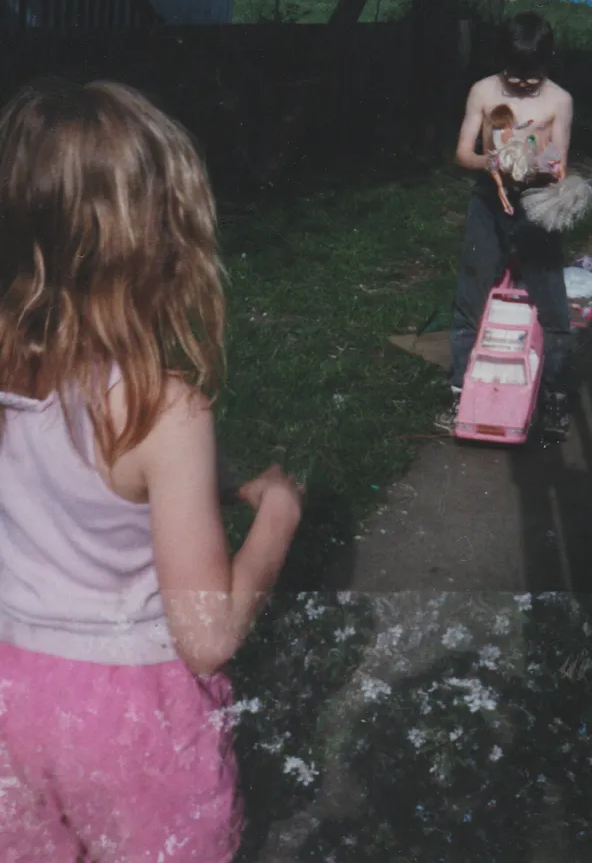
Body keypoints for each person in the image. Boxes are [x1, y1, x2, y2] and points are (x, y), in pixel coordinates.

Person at [0, 78, 304, 862]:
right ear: (155, 243)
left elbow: (62, 476)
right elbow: (207, 637)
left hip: (13, 693)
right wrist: (276, 514)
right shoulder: (165, 412)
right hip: (127, 712)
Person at [437, 11, 575, 440]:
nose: (522, 86)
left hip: (536, 207)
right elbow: (463, 153)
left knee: (552, 307)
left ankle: (554, 396)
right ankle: (459, 389)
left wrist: (537, 162)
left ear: (547, 65)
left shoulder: (559, 101)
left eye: (531, 79)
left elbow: (560, 165)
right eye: (514, 78)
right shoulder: (482, 91)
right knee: (469, 301)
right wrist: (492, 161)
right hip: (488, 204)